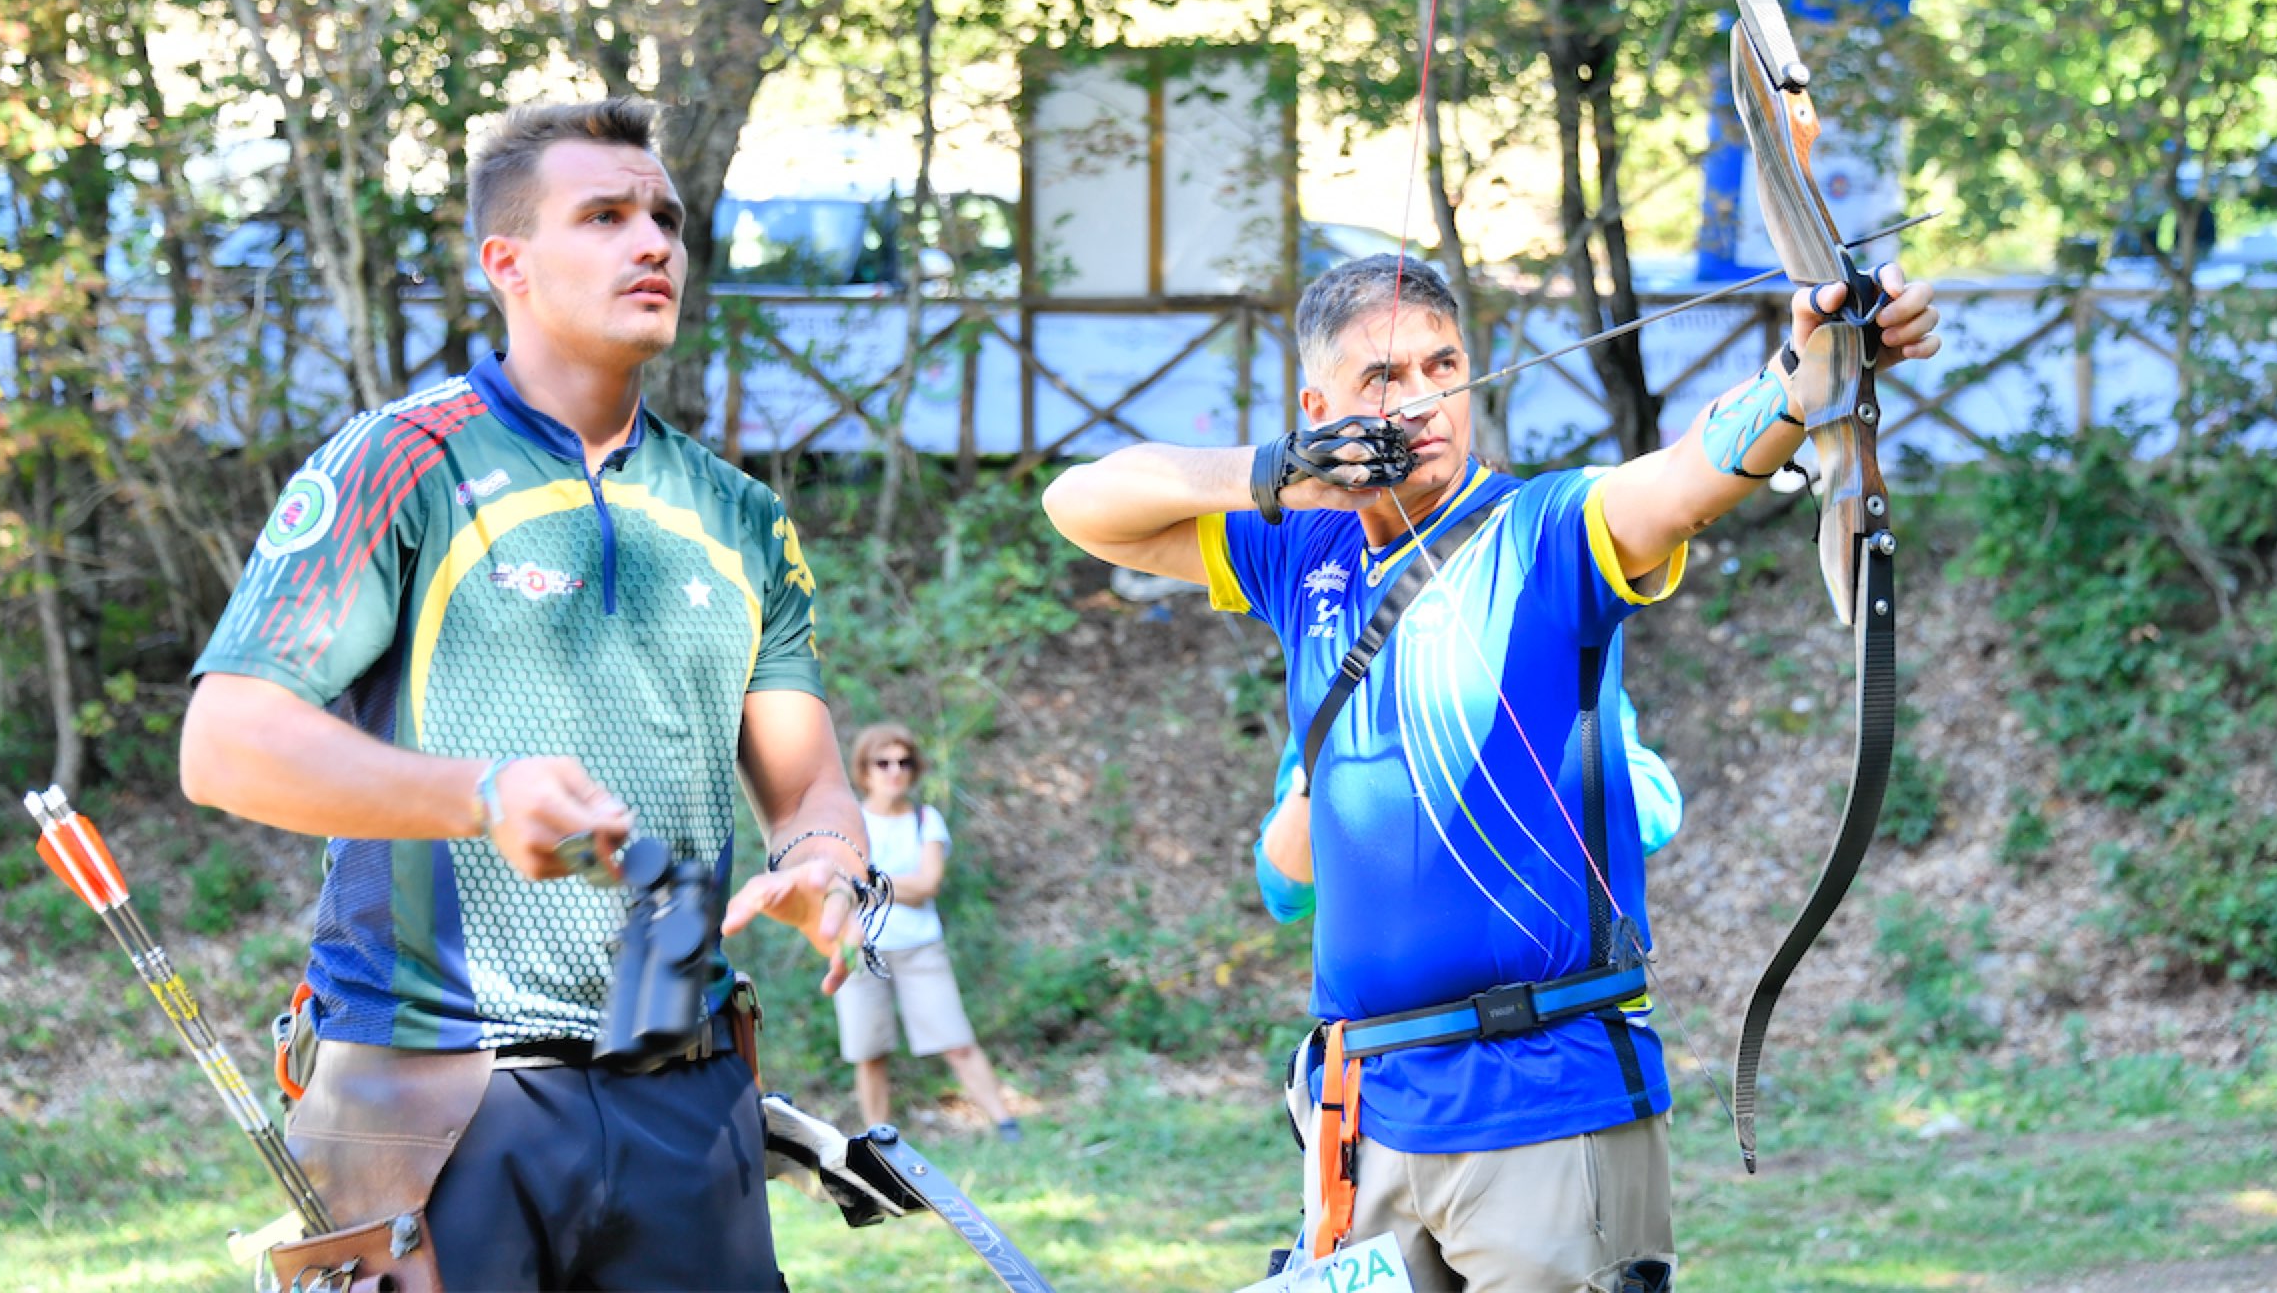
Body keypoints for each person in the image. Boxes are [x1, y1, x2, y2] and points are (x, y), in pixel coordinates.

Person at [1044, 252, 1940, 1291]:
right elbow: (1084, 504)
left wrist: (1802, 380)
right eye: (1383, 377)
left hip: (1543, 1101)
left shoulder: (1545, 529)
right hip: (1366, 1116)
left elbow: (1684, 481)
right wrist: (1279, 471)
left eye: (1445, 364)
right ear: (1318, 403)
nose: (1423, 400)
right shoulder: (1304, 553)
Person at [180, 98, 873, 1292]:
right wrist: (478, 791)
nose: (651, 241)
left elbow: (809, 783)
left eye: (663, 216)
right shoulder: (402, 461)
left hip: (685, 1087)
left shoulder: (743, 518)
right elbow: (228, 742)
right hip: (435, 1093)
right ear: (507, 262)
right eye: (603, 216)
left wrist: (828, 869)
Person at [1256, 633, 1681, 923]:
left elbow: (1654, 810)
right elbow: (1285, 891)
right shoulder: (1344, 697)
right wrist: (1315, 779)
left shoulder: (1541, 659)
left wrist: (1531, 756)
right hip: (1406, 1027)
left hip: (1556, 1012)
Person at [831, 723, 1021, 1141]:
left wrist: (871, 884)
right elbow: (841, 886)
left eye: (903, 762)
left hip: (920, 947)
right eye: (883, 763)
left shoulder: (925, 819)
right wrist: (896, 885)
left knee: (956, 1041)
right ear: (865, 770)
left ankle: (1006, 1124)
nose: (894, 771)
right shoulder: (848, 822)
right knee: (869, 1052)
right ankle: (879, 1144)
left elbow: (927, 885)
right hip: (857, 949)